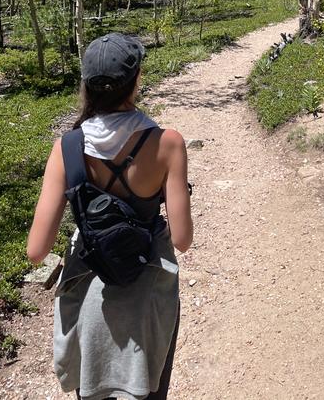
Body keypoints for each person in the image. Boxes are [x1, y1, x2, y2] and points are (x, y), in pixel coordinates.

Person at [27, 33, 193, 400]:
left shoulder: (66, 149)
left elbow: (37, 250)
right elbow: (182, 239)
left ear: (87, 86)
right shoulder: (168, 143)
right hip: (148, 297)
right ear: (137, 81)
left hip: (88, 298)